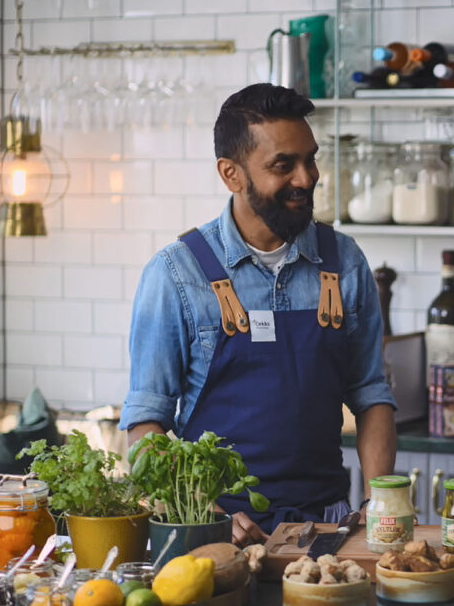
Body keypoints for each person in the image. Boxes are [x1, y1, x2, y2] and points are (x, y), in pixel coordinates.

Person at [120, 84, 397, 545]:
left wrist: (378, 501)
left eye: (310, 159)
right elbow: (146, 422)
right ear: (231, 174)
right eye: (282, 165)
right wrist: (202, 515)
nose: (306, 178)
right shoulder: (175, 274)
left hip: (327, 527)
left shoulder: (344, 262)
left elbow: (371, 395)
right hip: (215, 533)